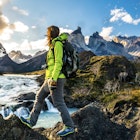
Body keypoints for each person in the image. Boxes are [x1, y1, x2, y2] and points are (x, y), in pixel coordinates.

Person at [20, 25, 75, 136]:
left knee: (58, 102)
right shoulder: (53, 45)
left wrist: (53, 79)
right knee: (39, 96)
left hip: (57, 78)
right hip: (49, 79)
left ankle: (69, 126)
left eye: (48, 32)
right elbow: (51, 64)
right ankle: (31, 121)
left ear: (51, 34)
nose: (47, 35)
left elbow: (58, 63)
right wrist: (48, 78)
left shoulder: (58, 44)